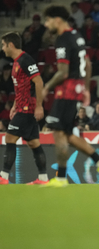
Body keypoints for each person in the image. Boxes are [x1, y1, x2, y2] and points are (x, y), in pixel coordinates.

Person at [42, 5, 99, 187]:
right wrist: (87, 89)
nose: (45, 23)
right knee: (65, 133)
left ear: (57, 19)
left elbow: (63, 72)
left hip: (67, 90)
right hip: (77, 88)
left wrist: (46, 87)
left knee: (58, 132)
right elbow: (87, 64)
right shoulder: (77, 36)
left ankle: (61, 178)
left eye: (48, 20)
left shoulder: (63, 39)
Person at [0, 32, 47, 185]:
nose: (2, 48)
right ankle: (43, 178)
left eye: (3, 45)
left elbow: (39, 82)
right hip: (22, 106)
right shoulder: (16, 62)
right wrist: (14, 105)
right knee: (34, 143)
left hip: (27, 108)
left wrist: (39, 106)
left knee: (9, 138)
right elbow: (21, 88)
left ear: (11, 45)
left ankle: (3, 177)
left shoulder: (26, 60)